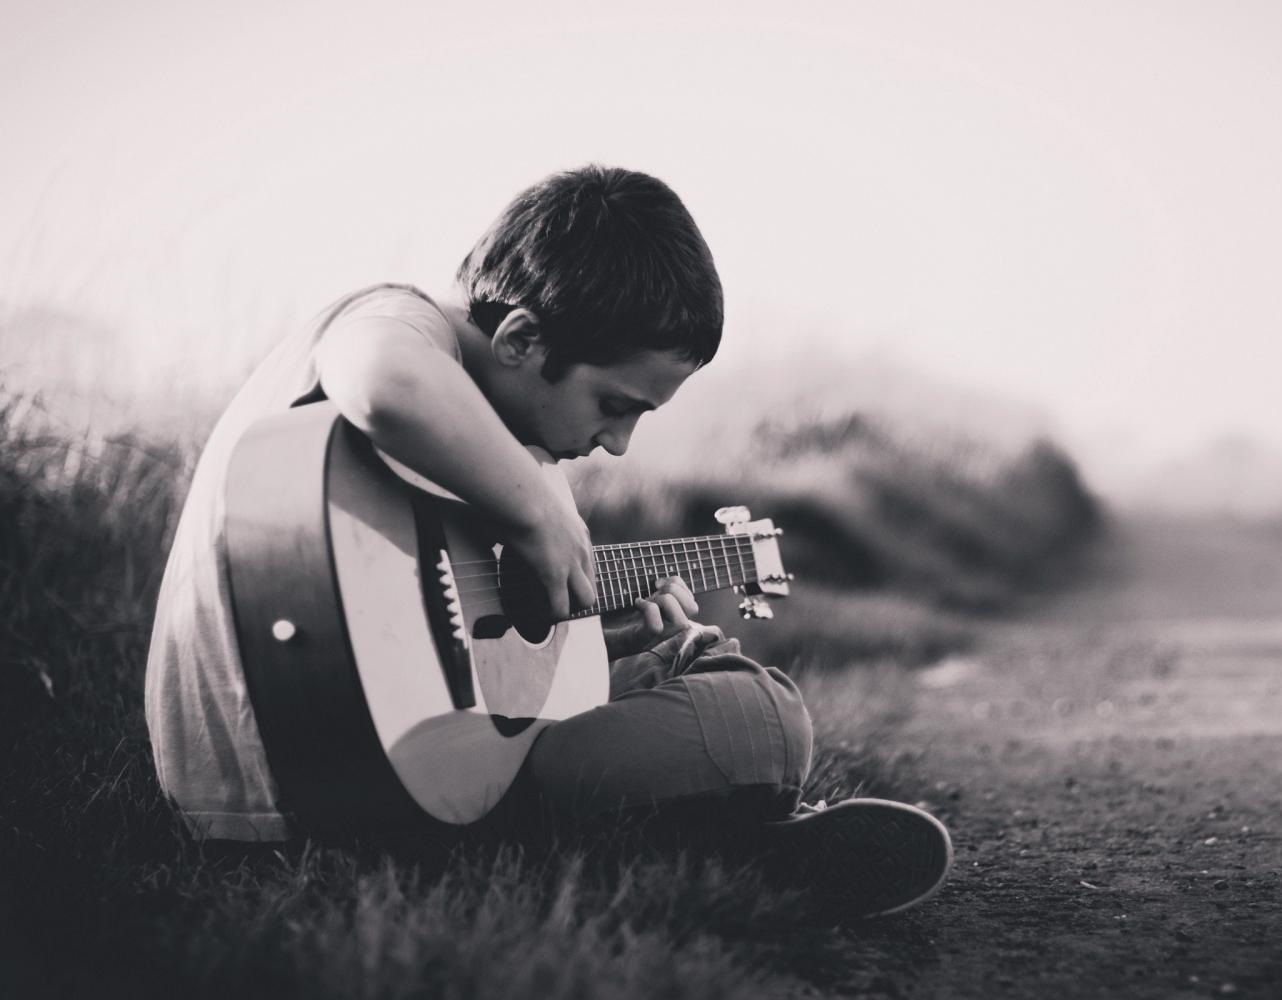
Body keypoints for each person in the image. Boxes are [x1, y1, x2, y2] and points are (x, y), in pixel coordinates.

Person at [144, 165, 950, 920]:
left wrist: (596, 640)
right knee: (765, 715)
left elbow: (432, 640)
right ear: (522, 339)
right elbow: (382, 381)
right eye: (614, 403)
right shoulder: (395, 320)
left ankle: (694, 835)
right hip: (315, 784)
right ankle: (709, 832)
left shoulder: (478, 433)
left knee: (674, 654)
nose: (619, 443)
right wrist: (539, 511)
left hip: (351, 767)